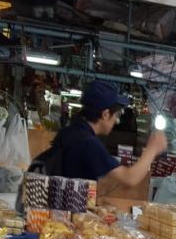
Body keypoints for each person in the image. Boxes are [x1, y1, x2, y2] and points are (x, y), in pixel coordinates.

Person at [31, 80, 166, 196]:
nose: (116, 120)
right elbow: (130, 178)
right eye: (116, 115)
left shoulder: (70, 131)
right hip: (62, 212)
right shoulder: (89, 144)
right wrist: (152, 149)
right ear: (105, 114)